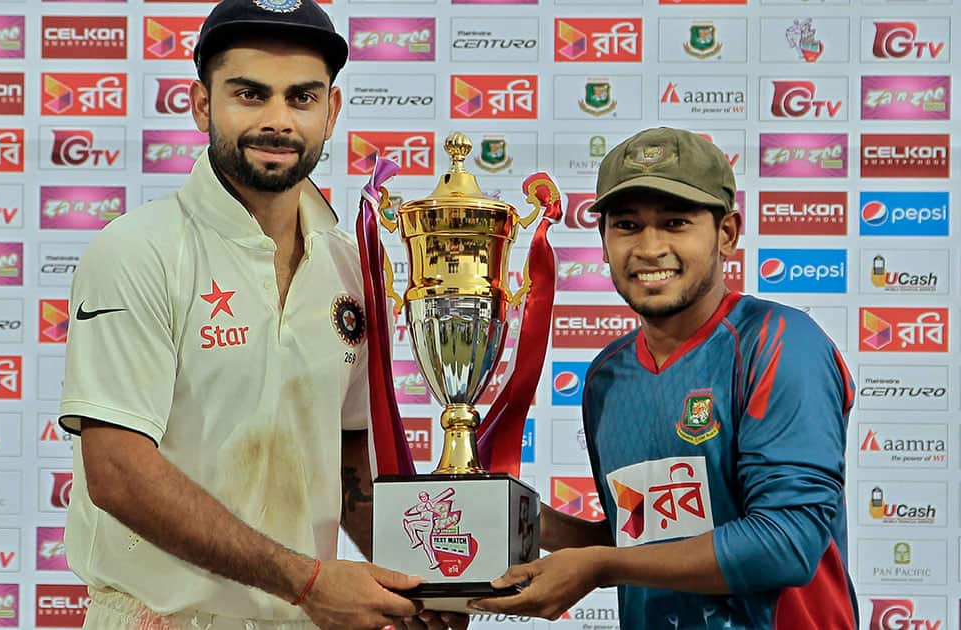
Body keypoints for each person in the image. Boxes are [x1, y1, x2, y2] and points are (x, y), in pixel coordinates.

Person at [58, 1, 466, 629]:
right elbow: (117, 472)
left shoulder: (353, 264)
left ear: (330, 112)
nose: (278, 120)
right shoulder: (137, 248)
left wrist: (415, 583)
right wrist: (307, 582)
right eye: (249, 94)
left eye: (302, 98)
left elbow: (350, 450)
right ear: (201, 104)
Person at [472, 127, 858, 629]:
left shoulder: (781, 343)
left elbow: (787, 544)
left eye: (675, 223)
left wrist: (601, 567)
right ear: (604, 240)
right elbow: (644, 540)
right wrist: (526, 519)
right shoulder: (609, 376)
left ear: (727, 233)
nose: (650, 248)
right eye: (627, 225)